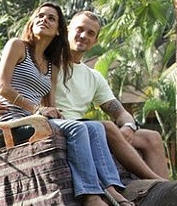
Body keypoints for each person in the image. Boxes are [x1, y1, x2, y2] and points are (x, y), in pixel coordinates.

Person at [0, 2, 132, 206]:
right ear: (32, 21)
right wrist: (37, 109)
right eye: (40, 15)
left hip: (35, 121)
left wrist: (53, 113)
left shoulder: (51, 65)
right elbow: (2, 87)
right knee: (77, 128)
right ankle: (90, 197)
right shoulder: (17, 46)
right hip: (12, 123)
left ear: (58, 30)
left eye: (51, 18)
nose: (44, 20)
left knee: (94, 127)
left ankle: (110, 188)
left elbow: (50, 104)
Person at [59, 11, 169, 180]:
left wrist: (129, 127)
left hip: (87, 130)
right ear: (67, 30)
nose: (84, 36)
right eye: (79, 29)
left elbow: (120, 113)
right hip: (62, 126)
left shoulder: (94, 76)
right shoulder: (49, 63)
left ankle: (168, 190)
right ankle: (156, 181)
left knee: (152, 137)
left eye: (90, 33)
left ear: (95, 41)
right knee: (107, 127)